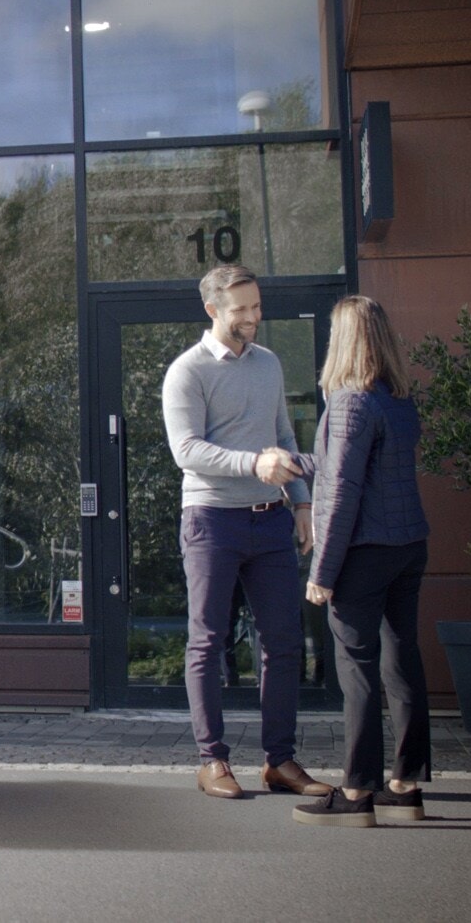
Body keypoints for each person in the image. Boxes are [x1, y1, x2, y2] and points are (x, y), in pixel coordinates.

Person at [161, 264, 331, 799]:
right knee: (208, 641)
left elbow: (283, 434)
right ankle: (212, 760)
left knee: (283, 642)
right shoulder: (187, 371)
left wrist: (301, 502)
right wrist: (253, 463)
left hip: (271, 519)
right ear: (213, 309)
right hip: (211, 520)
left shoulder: (269, 364)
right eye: (242, 309)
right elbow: (186, 450)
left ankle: (280, 761)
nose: (253, 316)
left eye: (256, 306)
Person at [279, 295, 433, 828]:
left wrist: (321, 574)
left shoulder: (348, 401)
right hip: (408, 546)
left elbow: (343, 491)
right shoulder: (397, 398)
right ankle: (405, 787)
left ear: (343, 340)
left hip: (363, 555)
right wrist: (293, 461)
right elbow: (348, 466)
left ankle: (356, 793)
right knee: (402, 661)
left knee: (358, 671)